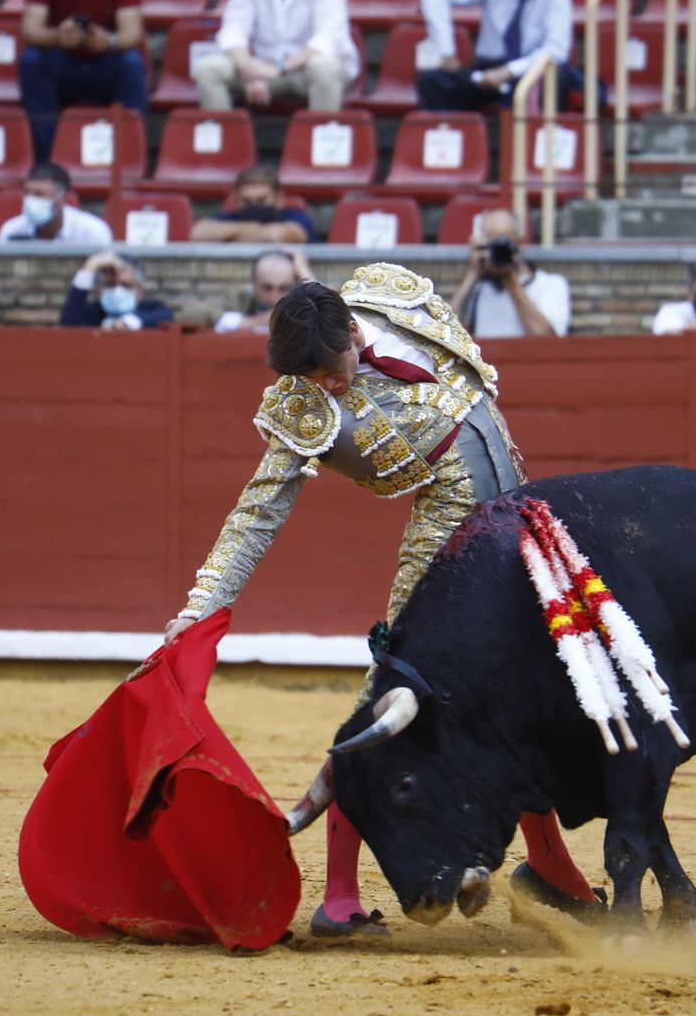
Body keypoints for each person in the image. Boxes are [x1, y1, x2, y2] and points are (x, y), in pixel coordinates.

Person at [162, 262, 604, 938]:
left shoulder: (390, 293)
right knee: (393, 697)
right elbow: (256, 514)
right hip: (448, 535)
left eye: (331, 370)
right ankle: (340, 895)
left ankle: (550, 868)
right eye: (308, 381)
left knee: (516, 695)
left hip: (516, 515)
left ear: (349, 327)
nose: (326, 387)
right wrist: (200, 607)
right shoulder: (304, 406)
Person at [18, 0, 147, 164]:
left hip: (105, 62)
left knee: (132, 62)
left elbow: (132, 33)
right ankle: (46, 160)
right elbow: (30, 30)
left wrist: (109, 41)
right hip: (61, 60)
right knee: (31, 60)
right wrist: (58, 36)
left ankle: (130, 157)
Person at [194, 0, 357, 113]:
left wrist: (280, 68)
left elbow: (327, 38)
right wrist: (248, 72)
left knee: (324, 67)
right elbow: (232, 33)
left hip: (305, 68)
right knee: (209, 69)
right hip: (263, 66)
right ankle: (227, 147)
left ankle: (318, 143)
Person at [416, 0, 576, 112]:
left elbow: (557, 50)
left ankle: (539, 143)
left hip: (529, 71)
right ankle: (451, 137)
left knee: (554, 81)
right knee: (431, 81)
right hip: (486, 72)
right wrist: (446, 51)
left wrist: (509, 71)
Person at [449, 208, 569, 337]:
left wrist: (509, 277)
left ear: (520, 244)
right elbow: (445, 333)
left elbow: (547, 340)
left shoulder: (549, 284)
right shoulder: (479, 288)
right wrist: (473, 272)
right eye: (491, 244)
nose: (498, 251)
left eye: (504, 243)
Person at [189, 165, 315, 244]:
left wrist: (229, 238)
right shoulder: (231, 217)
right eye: (246, 201)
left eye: (261, 200)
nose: (254, 206)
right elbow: (198, 234)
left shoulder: (296, 217)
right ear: (237, 200)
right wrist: (257, 230)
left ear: (278, 198)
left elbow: (276, 237)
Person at [0, 163, 113, 242]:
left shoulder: (92, 231)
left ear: (61, 198)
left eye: (39, 194)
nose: (30, 200)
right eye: (27, 193)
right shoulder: (11, 231)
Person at [59, 251, 172, 329]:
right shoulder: (93, 312)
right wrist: (90, 266)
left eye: (126, 285)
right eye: (110, 285)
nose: (118, 292)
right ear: (98, 290)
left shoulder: (152, 308)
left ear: (139, 290)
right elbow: (69, 320)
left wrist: (127, 322)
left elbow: (165, 316)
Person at [213, 248, 310, 333]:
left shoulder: (301, 303)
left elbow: (323, 314)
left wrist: (304, 272)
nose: (274, 298)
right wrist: (258, 321)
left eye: (283, 289)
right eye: (267, 288)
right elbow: (206, 315)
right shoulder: (237, 298)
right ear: (254, 284)